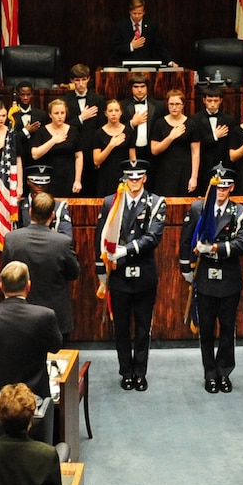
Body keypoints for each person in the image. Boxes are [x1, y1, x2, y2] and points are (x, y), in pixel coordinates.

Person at [178, 172, 243, 392]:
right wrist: (186, 269)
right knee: (206, 329)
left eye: (225, 187)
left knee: (228, 329)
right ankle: (210, 372)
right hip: (205, 276)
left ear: (231, 188)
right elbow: (186, 239)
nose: (221, 191)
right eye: (218, 187)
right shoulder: (200, 208)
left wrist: (216, 248)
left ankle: (224, 372)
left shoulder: (239, 211)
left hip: (228, 277)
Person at [100, 161, 167, 391]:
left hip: (144, 274)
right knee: (120, 327)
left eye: (138, 178)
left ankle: (140, 372)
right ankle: (125, 371)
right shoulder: (111, 202)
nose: (134, 182)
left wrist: (126, 249)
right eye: (131, 178)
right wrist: (102, 274)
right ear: (125, 179)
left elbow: (153, 237)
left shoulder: (156, 203)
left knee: (142, 326)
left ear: (145, 179)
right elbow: (102, 238)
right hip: (118, 275)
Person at [0, 259, 56, 399]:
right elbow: (55, 346)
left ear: (1, 286)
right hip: (32, 400)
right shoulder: (44, 316)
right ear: (28, 286)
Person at [3, 192, 82, 348]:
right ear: (52, 215)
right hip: (56, 316)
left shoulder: (12, 239)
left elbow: (5, 273)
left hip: (21, 315)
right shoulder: (63, 242)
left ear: (30, 212)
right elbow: (74, 273)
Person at [110, 0, 166, 66]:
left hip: (147, 66)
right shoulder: (121, 26)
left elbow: (160, 46)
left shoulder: (151, 25)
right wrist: (131, 46)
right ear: (130, 12)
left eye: (139, 13)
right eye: (134, 13)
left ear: (144, 12)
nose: (137, 16)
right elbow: (114, 49)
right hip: (127, 66)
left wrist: (170, 61)